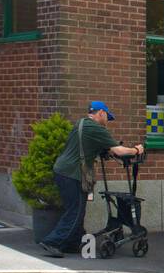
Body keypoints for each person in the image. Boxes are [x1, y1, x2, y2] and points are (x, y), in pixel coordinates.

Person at [39, 101, 144, 257]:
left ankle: (72, 243)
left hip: (62, 171)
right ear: (101, 113)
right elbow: (119, 151)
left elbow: (89, 145)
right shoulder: (96, 128)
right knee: (75, 211)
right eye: (107, 117)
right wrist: (136, 149)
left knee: (76, 210)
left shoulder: (81, 123)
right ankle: (52, 242)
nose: (107, 121)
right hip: (72, 174)